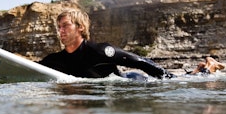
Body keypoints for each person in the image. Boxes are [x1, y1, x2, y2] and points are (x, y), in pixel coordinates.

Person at [39, 8, 175, 79]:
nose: (60, 31)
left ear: (80, 27)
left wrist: (171, 80)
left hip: (133, 81)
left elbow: (139, 61)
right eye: (59, 27)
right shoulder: (54, 60)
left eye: (65, 26)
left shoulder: (99, 51)